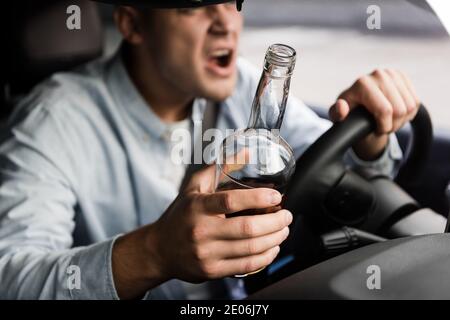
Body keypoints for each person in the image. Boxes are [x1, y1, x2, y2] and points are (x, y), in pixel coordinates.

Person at [0, 2, 420, 299]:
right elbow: (10, 276)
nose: (226, 23)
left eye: (231, 0)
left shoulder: (241, 86)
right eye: (193, 6)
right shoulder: (53, 120)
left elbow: (337, 171)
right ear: (132, 24)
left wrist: (370, 140)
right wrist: (152, 253)